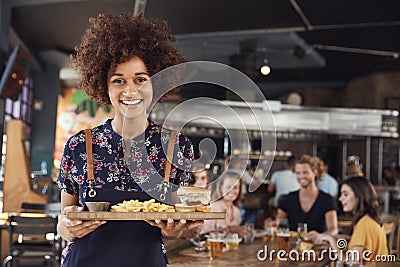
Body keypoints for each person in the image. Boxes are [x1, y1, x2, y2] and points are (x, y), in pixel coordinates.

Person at [56, 13, 202, 267]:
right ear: (104, 86)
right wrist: (68, 228)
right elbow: (64, 224)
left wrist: (174, 231)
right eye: (118, 80)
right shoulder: (79, 146)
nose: (130, 90)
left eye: (141, 79)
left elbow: (178, 227)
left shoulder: (176, 147)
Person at [316, 176, 388, 264]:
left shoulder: (364, 224)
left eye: (345, 194)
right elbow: (361, 242)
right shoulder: (369, 219)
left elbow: (352, 262)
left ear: (359, 196)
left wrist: (331, 240)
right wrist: (338, 238)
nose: (340, 198)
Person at [271, 155, 338, 243]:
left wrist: (320, 236)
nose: (301, 176)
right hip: (292, 248)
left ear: (315, 172)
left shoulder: (327, 200)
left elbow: (333, 229)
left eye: (305, 172)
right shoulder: (287, 199)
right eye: (298, 173)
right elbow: (279, 223)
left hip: (317, 248)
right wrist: (272, 223)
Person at [201, 171, 249, 238]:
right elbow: (203, 234)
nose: (232, 190)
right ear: (221, 187)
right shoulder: (213, 208)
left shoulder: (236, 211)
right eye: (228, 187)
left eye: (235, 187)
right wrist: (230, 229)